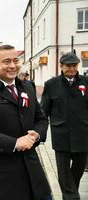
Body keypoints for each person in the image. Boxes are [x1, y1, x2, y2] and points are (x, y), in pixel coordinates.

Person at [0, 45, 51, 200]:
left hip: (32, 171)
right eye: (6, 61)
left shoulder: (27, 87)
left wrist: (36, 135)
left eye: (15, 60)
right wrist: (14, 143)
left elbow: (41, 119)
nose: (13, 65)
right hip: (2, 175)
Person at [41, 52, 88, 200]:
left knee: (79, 169)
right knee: (63, 172)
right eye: (68, 66)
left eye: (74, 65)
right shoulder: (51, 85)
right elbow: (43, 112)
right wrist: (40, 134)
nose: (72, 69)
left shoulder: (86, 82)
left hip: (83, 135)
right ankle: (71, 196)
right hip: (61, 135)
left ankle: (70, 192)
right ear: (61, 66)